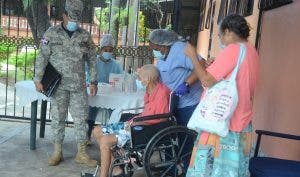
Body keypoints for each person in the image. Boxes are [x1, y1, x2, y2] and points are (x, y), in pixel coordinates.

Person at [185, 14, 259, 176]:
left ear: (227, 31)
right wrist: (214, 64)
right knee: (232, 171)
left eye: (220, 36)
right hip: (243, 121)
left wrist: (193, 56)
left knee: (209, 170)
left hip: (222, 122)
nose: (221, 41)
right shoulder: (251, 50)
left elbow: (206, 81)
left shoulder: (233, 50)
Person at [34, 0, 98, 167]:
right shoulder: (51, 33)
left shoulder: (85, 36)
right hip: (58, 86)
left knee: (81, 119)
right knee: (57, 118)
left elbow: (92, 60)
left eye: (76, 21)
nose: (74, 24)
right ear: (64, 16)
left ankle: (82, 153)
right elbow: (42, 57)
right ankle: (57, 151)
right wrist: (37, 79)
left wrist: (93, 81)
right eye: (71, 20)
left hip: (78, 86)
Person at [92, 64, 170, 177]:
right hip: (135, 123)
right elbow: (147, 112)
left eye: (140, 77)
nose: (138, 80)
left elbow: (161, 118)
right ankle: (117, 169)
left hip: (144, 128)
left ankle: (103, 175)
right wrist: (134, 121)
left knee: (105, 141)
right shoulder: (150, 90)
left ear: (148, 79)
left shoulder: (162, 92)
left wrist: (138, 122)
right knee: (97, 130)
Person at [148, 29, 203, 173]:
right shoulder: (163, 55)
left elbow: (201, 66)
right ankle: (171, 170)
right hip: (172, 104)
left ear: (163, 45)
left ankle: (188, 171)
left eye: (155, 48)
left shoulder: (180, 49)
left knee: (187, 142)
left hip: (189, 103)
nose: (154, 51)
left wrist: (187, 83)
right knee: (171, 139)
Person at [86, 34, 123, 144]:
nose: (108, 52)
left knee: (113, 112)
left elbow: (119, 79)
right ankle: (87, 136)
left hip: (109, 93)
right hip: (95, 91)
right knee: (91, 112)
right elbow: (87, 74)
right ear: (100, 49)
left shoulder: (115, 65)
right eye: (105, 49)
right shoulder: (94, 62)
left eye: (110, 50)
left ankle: (112, 136)